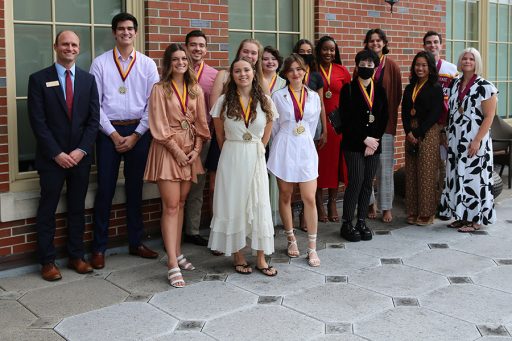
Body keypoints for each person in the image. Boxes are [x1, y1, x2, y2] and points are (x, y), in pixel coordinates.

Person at [27, 30, 99, 281]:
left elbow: (93, 121)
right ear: (55, 46)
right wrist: (57, 153)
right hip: (51, 159)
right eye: (65, 44)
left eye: (74, 45)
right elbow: (37, 122)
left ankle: (76, 256)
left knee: (77, 208)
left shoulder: (88, 81)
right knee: (47, 209)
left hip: (80, 158)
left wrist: (80, 151)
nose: (70, 48)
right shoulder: (38, 79)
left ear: (79, 49)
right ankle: (47, 261)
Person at [89, 12, 160, 269]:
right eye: (121, 29)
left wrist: (136, 135)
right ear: (114, 32)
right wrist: (115, 135)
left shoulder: (147, 65)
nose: (126, 33)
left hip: (139, 133)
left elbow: (153, 105)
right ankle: (99, 247)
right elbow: (94, 105)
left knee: (134, 190)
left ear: (136, 32)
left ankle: (136, 242)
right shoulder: (100, 64)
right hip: (108, 132)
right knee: (105, 190)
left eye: (130, 28)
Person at [144, 44, 210, 287]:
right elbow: (158, 126)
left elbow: (202, 124)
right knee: (171, 206)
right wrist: (177, 153)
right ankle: (171, 262)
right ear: (168, 63)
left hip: (190, 152)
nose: (181, 62)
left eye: (184, 58)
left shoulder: (195, 89)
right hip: (168, 150)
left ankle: (178, 251)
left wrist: (195, 151)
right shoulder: (159, 89)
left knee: (181, 204)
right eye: (175, 59)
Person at [208, 57, 278, 276]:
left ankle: (260, 257)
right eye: (237, 71)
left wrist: (256, 148)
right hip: (232, 155)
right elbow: (219, 135)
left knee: (259, 203)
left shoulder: (265, 101)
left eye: (246, 70)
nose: (242, 74)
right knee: (234, 203)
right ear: (232, 76)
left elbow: (267, 132)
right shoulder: (223, 102)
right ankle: (238, 255)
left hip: (255, 155)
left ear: (253, 73)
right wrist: (234, 150)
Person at [267, 54, 321, 266]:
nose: (295, 73)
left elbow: (312, 123)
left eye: (299, 69)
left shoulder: (314, 96)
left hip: (305, 146)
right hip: (285, 145)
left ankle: (312, 247)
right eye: (291, 70)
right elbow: (275, 127)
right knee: (286, 195)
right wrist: (284, 140)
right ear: (286, 73)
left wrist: (301, 135)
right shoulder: (277, 96)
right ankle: (291, 239)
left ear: (305, 70)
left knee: (309, 197)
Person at [440, 48, 498, 232]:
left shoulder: (485, 86)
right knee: (457, 177)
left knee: (475, 179)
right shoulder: (455, 83)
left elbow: (489, 116)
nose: (467, 61)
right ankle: (461, 216)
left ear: (477, 62)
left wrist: (477, 140)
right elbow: (451, 111)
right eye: (464, 58)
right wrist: (445, 134)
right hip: (456, 139)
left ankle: (476, 220)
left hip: (475, 139)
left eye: (471, 58)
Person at [337, 50, 388, 242]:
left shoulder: (380, 90)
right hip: (353, 144)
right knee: (356, 181)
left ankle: (361, 221)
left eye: (370, 64)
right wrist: (363, 139)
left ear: (375, 67)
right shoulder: (348, 89)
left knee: (368, 183)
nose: (366, 67)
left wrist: (374, 140)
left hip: (374, 144)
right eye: (363, 64)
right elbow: (346, 120)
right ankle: (347, 222)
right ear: (357, 66)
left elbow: (384, 118)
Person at [362, 29, 402, 223]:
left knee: (385, 168)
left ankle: (386, 207)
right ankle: (370, 203)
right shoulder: (362, 64)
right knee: (367, 167)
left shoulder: (392, 66)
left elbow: (397, 96)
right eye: (371, 41)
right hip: (365, 126)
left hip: (385, 126)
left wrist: (386, 118)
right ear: (367, 43)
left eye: (379, 41)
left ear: (384, 43)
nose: (375, 44)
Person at [182, 30, 218, 246]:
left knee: (197, 185)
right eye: (193, 44)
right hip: (178, 138)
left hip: (203, 139)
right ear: (186, 47)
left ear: (206, 49)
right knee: (175, 185)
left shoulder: (214, 75)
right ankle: (174, 229)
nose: (197, 49)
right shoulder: (176, 70)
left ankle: (192, 230)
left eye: (201, 45)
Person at [402, 51, 444, 226]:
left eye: (424, 65)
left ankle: (427, 212)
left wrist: (418, 132)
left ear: (430, 68)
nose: (420, 68)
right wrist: (408, 132)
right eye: (417, 65)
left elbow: (435, 113)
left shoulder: (435, 87)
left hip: (428, 131)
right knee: (411, 172)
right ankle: (412, 210)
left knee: (426, 172)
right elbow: (404, 111)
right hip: (410, 132)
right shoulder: (410, 87)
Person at [292, 39, 327, 232]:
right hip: (293, 130)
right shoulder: (290, 75)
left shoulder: (316, 77)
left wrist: (325, 130)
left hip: (312, 129)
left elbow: (321, 104)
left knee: (307, 171)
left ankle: (305, 215)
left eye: (308, 51)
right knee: (293, 172)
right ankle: (295, 209)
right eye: (301, 51)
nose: (305, 54)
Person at [315, 36, 351, 223]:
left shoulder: (342, 71)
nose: (328, 53)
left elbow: (349, 99)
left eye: (332, 50)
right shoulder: (312, 70)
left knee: (337, 165)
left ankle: (332, 203)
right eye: (325, 49)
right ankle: (319, 204)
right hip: (318, 125)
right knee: (319, 165)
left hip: (338, 125)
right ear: (318, 50)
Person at [423, 31, 459, 217]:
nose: (432, 45)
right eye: (428, 42)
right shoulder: (421, 68)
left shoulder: (451, 69)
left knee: (445, 166)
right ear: (424, 46)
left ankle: (445, 204)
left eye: (435, 42)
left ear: (441, 45)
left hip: (447, 124)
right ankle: (432, 203)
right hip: (428, 124)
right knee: (432, 166)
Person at [262, 46, 286, 227]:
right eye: (265, 58)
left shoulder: (284, 83)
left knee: (276, 172)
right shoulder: (254, 79)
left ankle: (274, 214)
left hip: (278, 132)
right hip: (259, 131)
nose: (269, 62)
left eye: (273, 59)